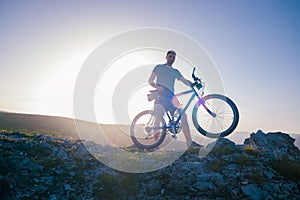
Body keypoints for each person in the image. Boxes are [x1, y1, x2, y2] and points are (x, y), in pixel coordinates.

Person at [148, 50, 193, 147]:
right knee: (158, 118)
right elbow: (150, 81)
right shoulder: (159, 68)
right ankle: (155, 145)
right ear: (166, 57)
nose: (172, 58)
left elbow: (184, 81)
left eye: (173, 57)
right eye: (170, 56)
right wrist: (156, 87)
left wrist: (193, 84)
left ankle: (189, 143)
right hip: (160, 95)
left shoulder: (175, 72)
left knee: (183, 115)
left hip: (171, 97)